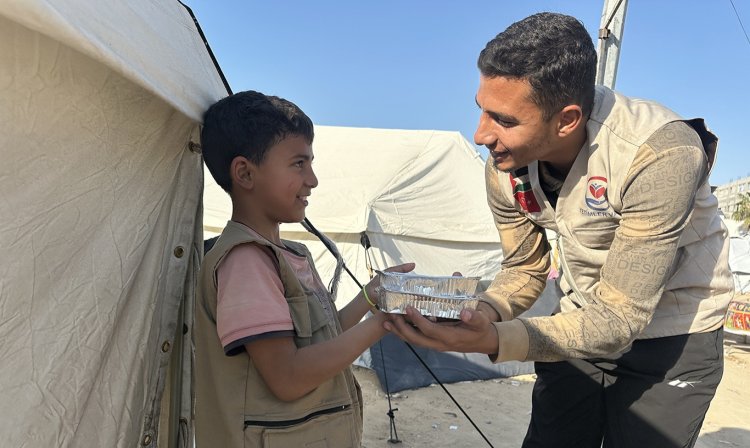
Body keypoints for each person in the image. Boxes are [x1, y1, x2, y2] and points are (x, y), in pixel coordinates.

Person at [384, 12, 733, 448]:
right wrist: (480, 313)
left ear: (567, 120)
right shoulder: (505, 169)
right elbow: (525, 269)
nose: (480, 135)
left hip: (673, 334)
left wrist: (495, 339)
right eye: (482, 111)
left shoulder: (659, 154)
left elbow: (621, 316)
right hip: (580, 321)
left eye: (504, 120)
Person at [194, 90, 413, 447]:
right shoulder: (246, 261)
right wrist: (384, 324)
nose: (312, 179)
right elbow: (288, 376)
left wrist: (371, 298)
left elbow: (321, 343)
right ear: (245, 173)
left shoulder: (288, 254)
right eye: (298, 164)